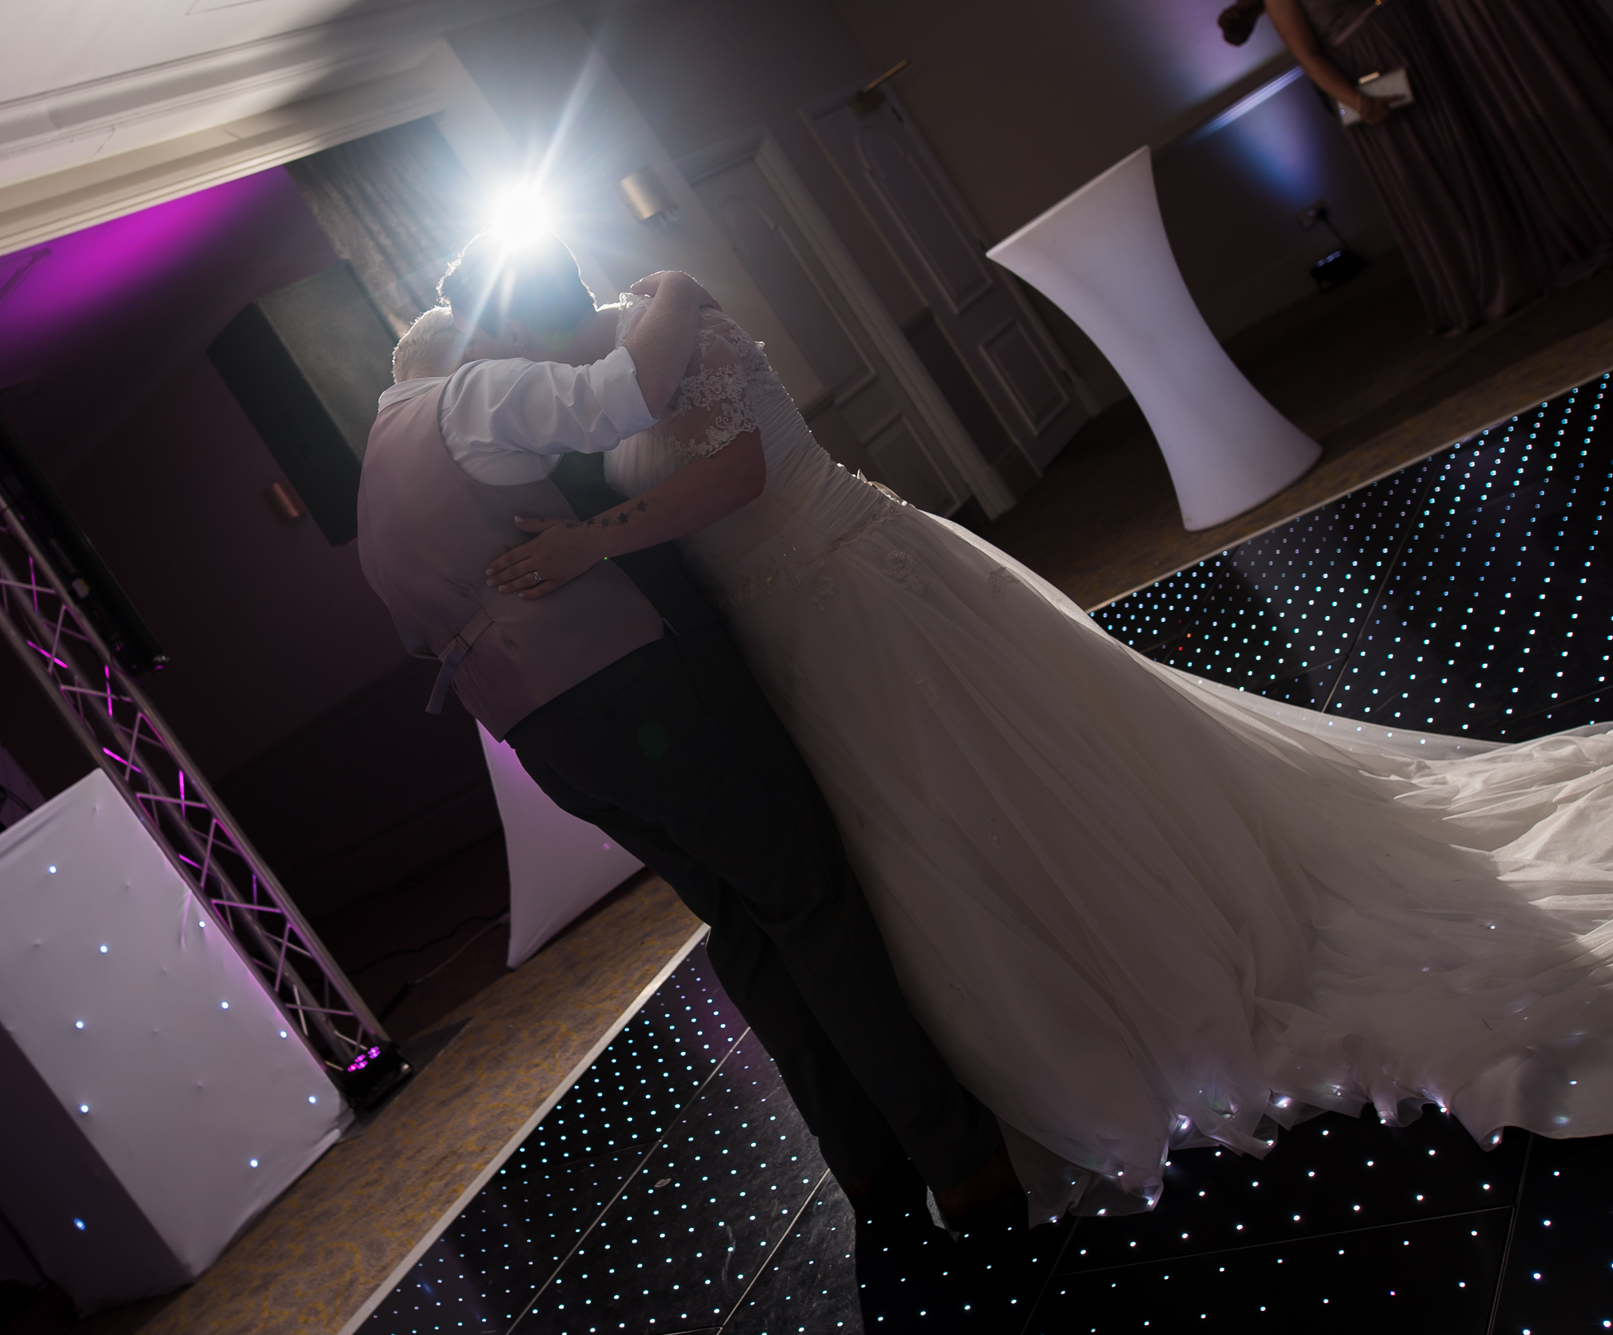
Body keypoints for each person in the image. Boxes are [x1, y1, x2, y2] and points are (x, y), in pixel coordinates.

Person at [481, 260, 1613, 1224]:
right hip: (784, 635)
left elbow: (736, 470)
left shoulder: (664, 303)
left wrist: (589, 542)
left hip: (852, 590)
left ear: (555, 306)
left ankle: (1156, 965)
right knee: (921, 835)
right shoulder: (591, 399)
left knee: (993, 783)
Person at [353, 239, 1019, 1242]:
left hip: (546, 735)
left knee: (739, 924)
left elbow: (415, 630)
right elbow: (620, 393)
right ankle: (960, 1160)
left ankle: (866, 1166)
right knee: (806, 901)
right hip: (639, 692)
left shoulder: (380, 458)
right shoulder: (470, 399)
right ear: (483, 333)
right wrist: (673, 284)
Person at [1221, 0, 1613, 333]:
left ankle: (1522, 252)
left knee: (1471, 150)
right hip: (1364, 72)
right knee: (1437, 172)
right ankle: (1489, 276)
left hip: (1416, 45)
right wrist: (1357, 102)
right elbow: (1307, 55)